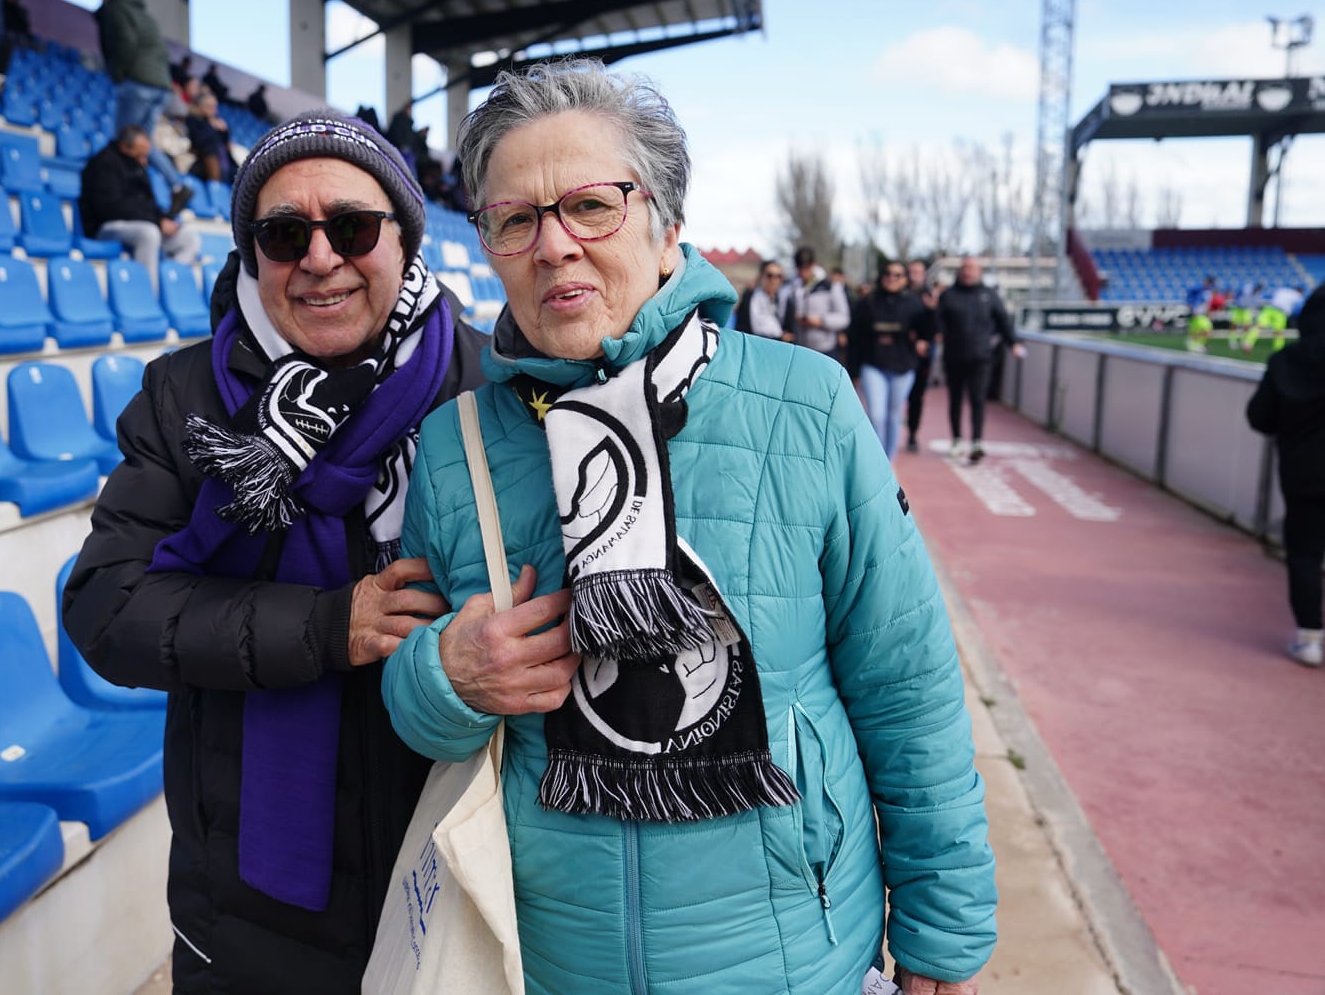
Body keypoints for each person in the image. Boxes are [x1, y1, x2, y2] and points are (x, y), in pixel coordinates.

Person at [381, 60, 995, 995]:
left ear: (667, 230)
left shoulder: (807, 405)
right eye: (516, 219)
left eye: (591, 206)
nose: (554, 247)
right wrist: (447, 679)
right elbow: (414, 709)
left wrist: (944, 933)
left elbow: (906, 687)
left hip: (794, 957)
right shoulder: (455, 444)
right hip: (547, 963)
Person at [62, 111, 489, 992]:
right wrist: (327, 627)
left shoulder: (488, 388)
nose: (320, 258)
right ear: (254, 255)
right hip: (249, 903)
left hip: (457, 870)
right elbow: (105, 605)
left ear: (406, 240)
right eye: (285, 233)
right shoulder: (185, 397)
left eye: (353, 227)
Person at [1247, 286, 1325, 667]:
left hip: (1304, 475)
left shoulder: (1286, 361)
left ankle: (1310, 638)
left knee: (1305, 554)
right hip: (1303, 475)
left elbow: (1259, 418)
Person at [96, 0, 192, 213]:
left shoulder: (117, 8)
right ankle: (177, 184)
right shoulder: (146, 16)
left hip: (138, 82)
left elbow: (124, 43)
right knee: (144, 143)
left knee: (124, 139)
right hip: (161, 87)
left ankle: (122, 188)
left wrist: (119, 73)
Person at [79, 125, 201, 281]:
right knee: (149, 233)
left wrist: (164, 219)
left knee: (189, 238)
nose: (144, 159)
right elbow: (112, 208)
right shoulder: (102, 164)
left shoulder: (136, 163)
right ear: (124, 147)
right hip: (106, 226)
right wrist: (157, 222)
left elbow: (147, 202)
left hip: (142, 222)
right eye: (140, 153)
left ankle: (168, 281)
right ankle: (147, 289)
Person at [936, 256, 1023, 463]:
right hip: (954, 357)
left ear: (979, 272)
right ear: (960, 271)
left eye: (972, 269)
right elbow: (938, 322)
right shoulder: (948, 295)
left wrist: (1014, 343)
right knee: (955, 400)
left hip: (981, 357)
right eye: (965, 268)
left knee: (978, 399)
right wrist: (938, 334)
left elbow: (1003, 321)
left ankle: (977, 441)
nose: (968, 272)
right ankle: (957, 439)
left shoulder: (989, 295)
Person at [850, 261, 931, 460]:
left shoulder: (914, 303)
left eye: (897, 274)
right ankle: (877, 462)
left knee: (894, 417)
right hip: (873, 365)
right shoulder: (867, 302)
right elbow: (854, 337)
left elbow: (928, 334)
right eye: (887, 273)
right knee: (876, 415)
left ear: (905, 278)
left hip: (903, 367)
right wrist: (853, 371)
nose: (891, 278)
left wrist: (931, 312)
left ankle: (888, 461)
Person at [903, 259, 938, 453]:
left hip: (922, 355)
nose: (914, 275)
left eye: (918, 271)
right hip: (901, 352)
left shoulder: (929, 296)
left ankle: (912, 434)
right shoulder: (901, 293)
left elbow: (936, 328)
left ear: (924, 274)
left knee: (917, 396)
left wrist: (932, 310)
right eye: (912, 271)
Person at [796, 258, 851, 359]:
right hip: (801, 349)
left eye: (806, 268)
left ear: (814, 265)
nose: (803, 273)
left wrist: (822, 321)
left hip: (825, 350)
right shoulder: (796, 286)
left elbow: (844, 318)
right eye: (800, 268)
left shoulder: (831, 286)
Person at [733, 257, 796, 340]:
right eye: (770, 276)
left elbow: (790, 330)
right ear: (762, 276)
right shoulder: (750, 298)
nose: (773, 280)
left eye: (778, 276)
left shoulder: (785, 300)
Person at [185, 91, 236, 183]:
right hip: (202, 162)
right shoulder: (193, 119)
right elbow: (198, 141)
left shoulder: (217, 121)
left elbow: (227, 145)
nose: (214, 110)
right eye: (210, 107)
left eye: (215, 107)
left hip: (226, 164)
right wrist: (211, 127)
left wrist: (225, 131)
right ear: (200, 106)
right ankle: (215, 184)